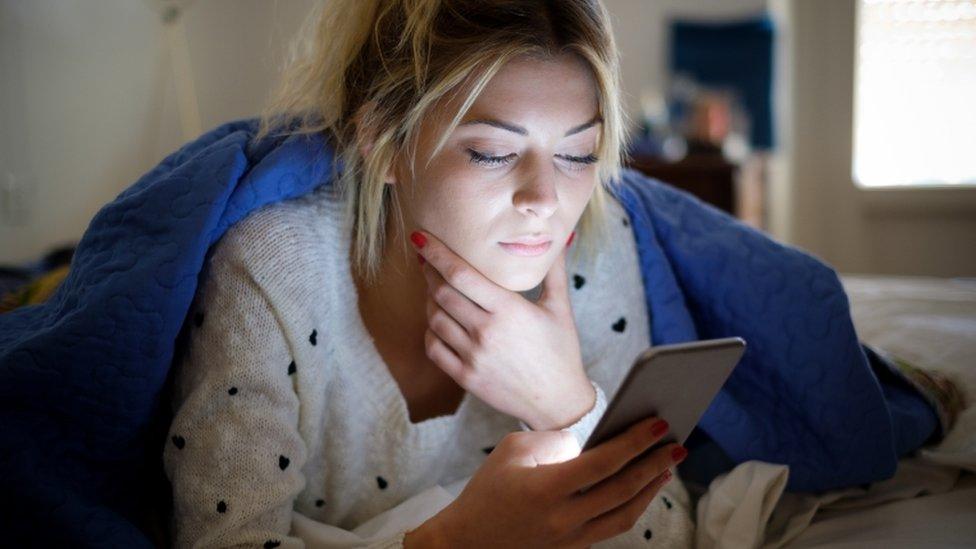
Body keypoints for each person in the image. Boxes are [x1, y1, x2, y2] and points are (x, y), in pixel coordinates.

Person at [163, 1, 696, 547]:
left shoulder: (594, 249)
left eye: (579, 154)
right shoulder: (276, 268)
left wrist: (566, 404)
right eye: (492, 153)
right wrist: (455, 540)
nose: (546, 198)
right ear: (384, 143)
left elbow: (669, 535)